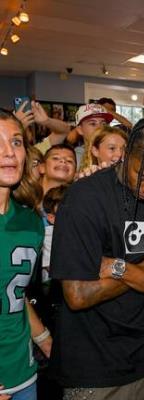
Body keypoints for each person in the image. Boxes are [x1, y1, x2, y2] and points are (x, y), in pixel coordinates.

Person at [48, 118, 144, 400]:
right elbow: (78, 295)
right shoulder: (84, 198)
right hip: (95, 368)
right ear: (125, 155)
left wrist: (118, 267)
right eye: (143, 176)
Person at [0, 109, 51, 400]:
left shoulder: (31, 222)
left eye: (16, 142)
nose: (9, 152)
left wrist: (46, 343)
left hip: (23, 371)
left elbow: (15, 295)